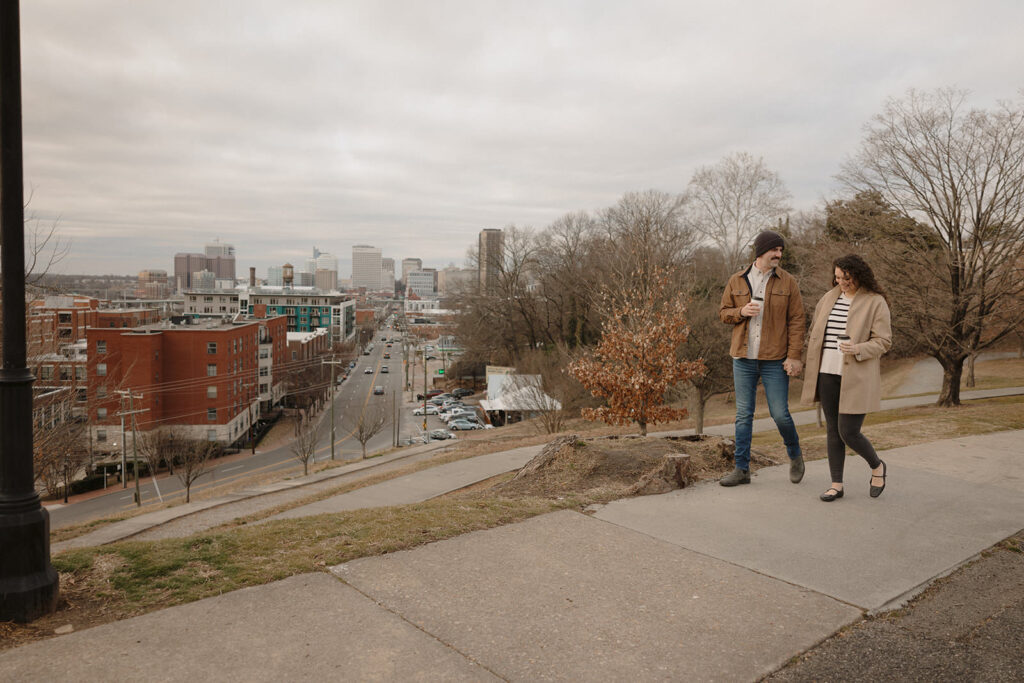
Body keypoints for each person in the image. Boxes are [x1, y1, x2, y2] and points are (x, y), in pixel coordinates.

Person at [801, 254, 892, 501]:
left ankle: (877, 466)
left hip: (856, 376)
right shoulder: (828, 299)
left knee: (848, 431)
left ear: (859, 276)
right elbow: (815, 333)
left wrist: (858, 348)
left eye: (846, 278)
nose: (841, 282)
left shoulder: (875, 302)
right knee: (832, 430)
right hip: (827, 373)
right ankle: (836, 484)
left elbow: (884, 341)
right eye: (838, 277)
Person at [718, 230, 806, 486]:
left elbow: (798, 321)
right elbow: (723, 313)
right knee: (744, 415)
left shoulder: (788, 282)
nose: (779, 255)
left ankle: (795, 455)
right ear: (761, 251)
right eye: (774, 250)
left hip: (774, 359)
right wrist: (741, 311)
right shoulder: (737, 280)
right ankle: (741, 469)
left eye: (781, 251)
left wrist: (794, 356)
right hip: (743, 358)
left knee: (780, 414)